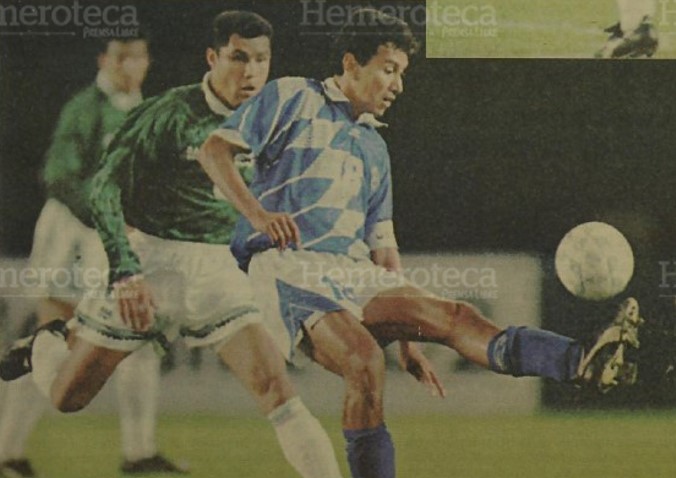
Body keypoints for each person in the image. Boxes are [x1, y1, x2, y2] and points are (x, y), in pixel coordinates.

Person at [198, 8, 642, 478]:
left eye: (402, 74)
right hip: (287, 267)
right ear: (351, 63)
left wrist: (409, 339)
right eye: (389, 69)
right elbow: (214, 151)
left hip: (351, 269)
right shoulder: (293, 96)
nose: (397, 85)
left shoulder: (374, 147)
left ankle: (578, 362)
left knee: (455, 317)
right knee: (365, 362)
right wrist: (259, 215)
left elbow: (383, 248)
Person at [0, 10, 343, 478]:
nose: (251, 71)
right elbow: (103, 189)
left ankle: (139, 452)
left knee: (277, 391)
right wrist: (125, 271)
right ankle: (44, 346)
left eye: (261, 59)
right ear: (212, 58)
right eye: (238, 57)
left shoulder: (270, 119)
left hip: (216, 271)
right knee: (68, 398)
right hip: (151, 262)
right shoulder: (169, 112)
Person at [0, 33, 186, 476]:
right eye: (121, 57)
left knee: (137, 335)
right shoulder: (85, 108)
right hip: (72, 237)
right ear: (104, 60)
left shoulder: (145, 111)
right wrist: (109, 216)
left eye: (137, 57)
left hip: (115, 242)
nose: (130, 66)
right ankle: (8, 452)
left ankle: (139, 453)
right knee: (51, 339)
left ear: (147, 61)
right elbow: (59, 176)